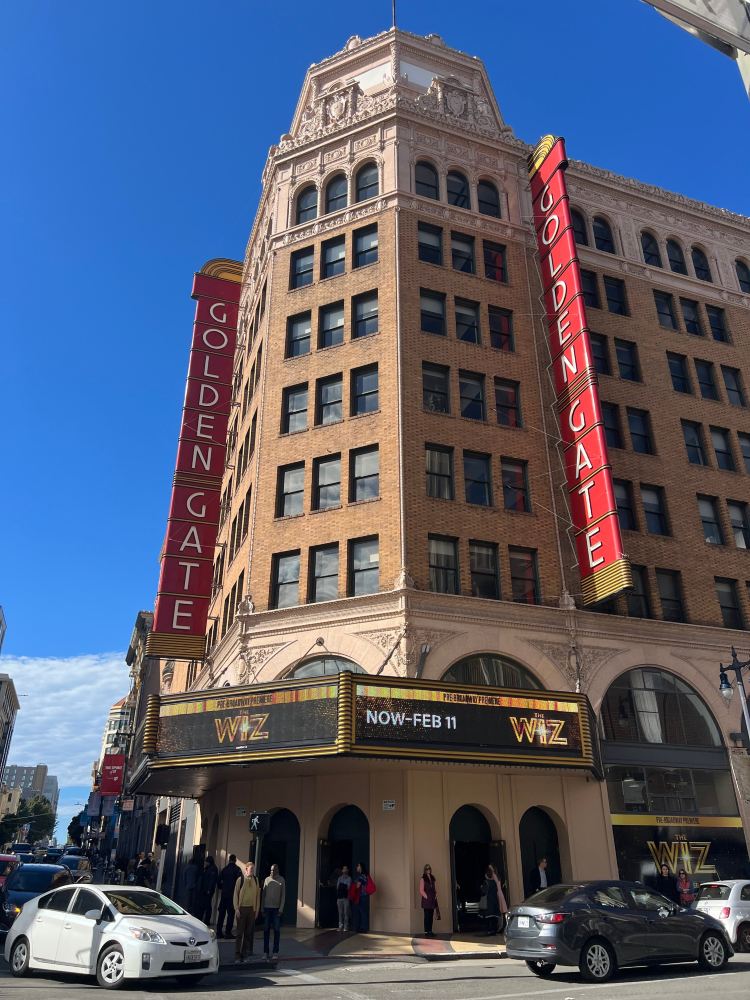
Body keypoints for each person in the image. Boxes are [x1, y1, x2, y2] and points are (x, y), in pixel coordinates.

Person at [233, 861, 260, 963]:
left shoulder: (256, 880)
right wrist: (236, 909)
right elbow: (235, 895)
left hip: (251, 909)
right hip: (242, 909)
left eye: (253, 869)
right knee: (240, 933)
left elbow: (257, 897)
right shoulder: (240, 880)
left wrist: (256, 910)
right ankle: (237, 955)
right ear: (246, 869)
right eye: (251, 869)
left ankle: (244, 955)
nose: (252, 871)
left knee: (248, 933)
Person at [262, 863, 286, 961]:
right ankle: (265, 952)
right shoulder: (267, 880)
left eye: (273, 870)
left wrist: (281, 909)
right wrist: (262, 908)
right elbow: (263, 894)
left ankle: (275, 951)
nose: (272, 871)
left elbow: (283, 896)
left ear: (277, 870)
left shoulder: (281, 880)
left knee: (276, 930)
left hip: (276, 909)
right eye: (271, 870)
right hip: (267, 908)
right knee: (266, 930)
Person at [217, 854, 242, 938]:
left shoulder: (224, 869)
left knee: (221, 913)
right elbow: (240, 882)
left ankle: (219, 932)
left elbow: (218, 882)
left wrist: (223, 888)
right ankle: (228, 933)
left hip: (224, 894)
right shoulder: (237, 870)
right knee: (230, 914)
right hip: (232, 895)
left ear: (229, 860)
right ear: (235, 860)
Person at [419, 864, 439, 937]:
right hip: (426, 900)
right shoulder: (422, 879)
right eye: (427, 869)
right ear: (425, 870)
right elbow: (421, 890)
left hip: (432, 899)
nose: (428, 870)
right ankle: (426, 932)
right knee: (427, 916)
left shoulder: (433, 878)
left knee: (431, 916)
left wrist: (435, 894)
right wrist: (427, 897)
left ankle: (430, 931)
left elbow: (434, 888)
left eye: (429, 868)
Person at [199, 855, 219, 925]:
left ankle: (206, 921)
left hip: (208, 891)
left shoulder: (213, 869)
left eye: (206, 862)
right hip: (205, 890)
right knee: (203, 905)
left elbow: (212, 880)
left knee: (207, 906)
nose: (205, 863)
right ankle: (203, 920)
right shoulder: (208, 868)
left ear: (209, 862)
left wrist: (209, 890)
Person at [352, 862, 370, 933]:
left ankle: (363, 928)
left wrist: (354, 884)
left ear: (361, 867)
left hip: (362, 896)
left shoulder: (361, 876)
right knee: (362, 912)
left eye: (358, 866)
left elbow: (357, 886)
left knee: (362, 912)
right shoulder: (364, 875)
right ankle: (362, 927)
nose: (357, 867)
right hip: (363, 896)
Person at [336, 865, 352, 931]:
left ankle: (346, 927)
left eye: (346, 869)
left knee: (346, 912)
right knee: (340, 913)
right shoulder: (339, 878)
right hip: (339, 898)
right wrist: (343, 886)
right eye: (343, 869)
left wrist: (342, 886)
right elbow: (337, 887)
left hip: (346, 898)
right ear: (342, 870)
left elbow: (348, 887)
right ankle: (340, 926)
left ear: (347, 870)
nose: (344, 870)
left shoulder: (349, 878)